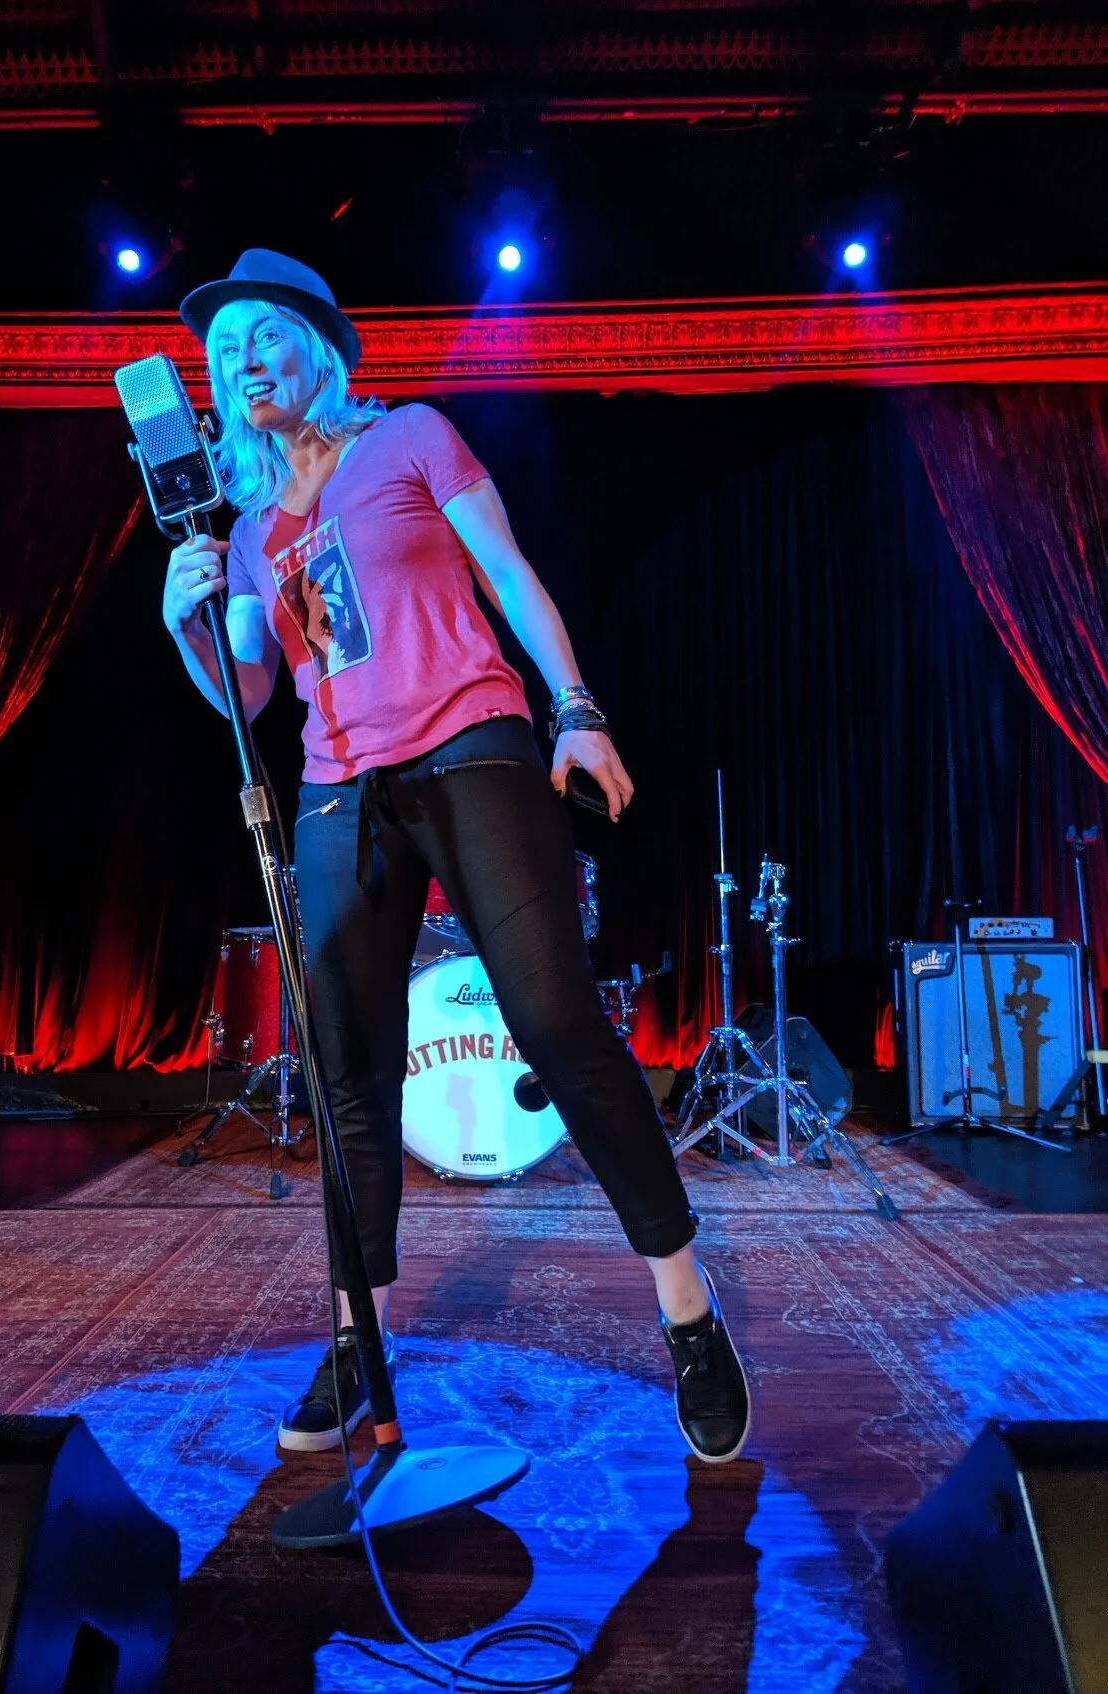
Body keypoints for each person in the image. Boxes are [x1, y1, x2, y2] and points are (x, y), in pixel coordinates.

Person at [165, 249, 750, 1464]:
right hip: (338, 788)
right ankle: (358, 1342)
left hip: (471, 744)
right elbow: (248, 692)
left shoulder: (411, 437)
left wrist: (575, 708)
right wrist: (188, 620)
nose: (242, 360)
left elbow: (509, 573)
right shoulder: (250, 530)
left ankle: (689, 1312)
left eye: (263, 334)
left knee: (559, 1024)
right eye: (223, 351)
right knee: (348, 1072)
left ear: (319, 346)